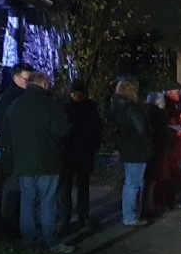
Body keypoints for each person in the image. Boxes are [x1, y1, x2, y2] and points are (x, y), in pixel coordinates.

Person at [7, 72, 72, 253]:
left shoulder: (16, 106)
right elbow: (63, 130)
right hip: (48, 161)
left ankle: (28, 240)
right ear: (43, 84)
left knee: (27, 201)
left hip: (24, 162)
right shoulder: (51, 105)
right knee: (47, 201)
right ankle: (50, 241)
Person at [0, 62, 34, 233]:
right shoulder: (10, 100)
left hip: (20, 150)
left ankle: (16, 226)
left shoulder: (19, 97)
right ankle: (9, 227)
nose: (29, 82)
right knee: (13, 190)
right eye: (27, 79)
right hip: (13, 151)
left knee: (19, 191)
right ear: (16, 77)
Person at [61, 79, 104, 230]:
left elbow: (97, 129)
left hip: (81, 151)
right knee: (69, 187)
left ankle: (80, 216)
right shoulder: (69, 107)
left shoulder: (71, 107)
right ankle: (68, 217)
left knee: (80, 186)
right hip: (72, 152)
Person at [110, 78, 152, 226]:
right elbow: (141, 130)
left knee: (131, 182)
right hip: (137, 149)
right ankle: (130, 215)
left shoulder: (116, 106)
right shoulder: (132, 108)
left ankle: (132, 213)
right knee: (134, 183)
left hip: (127, 148)